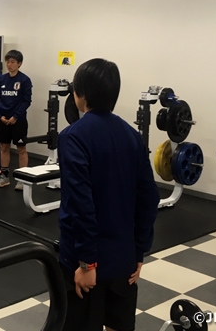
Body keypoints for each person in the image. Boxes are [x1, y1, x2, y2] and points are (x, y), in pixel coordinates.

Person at [57, 58, 159, 331]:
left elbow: (80, 204)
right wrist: (138, 252)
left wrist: (87, 263)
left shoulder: (73, 136)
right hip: (124, 259)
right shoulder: (132, 135)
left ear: (81, 94)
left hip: (86, 262)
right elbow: (149, 197)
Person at [0, 50, 32, 189]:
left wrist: (15, 116)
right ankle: (4, 177)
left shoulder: (24, 80)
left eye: (12, 62)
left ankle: (22, 180)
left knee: (21, 148)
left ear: (19, 64)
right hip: (3, 120)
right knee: (4, 147)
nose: (9, 65)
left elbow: (26, 101)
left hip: (18, 121)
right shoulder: (2, 79)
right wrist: (0, 115)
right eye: (7, 62)